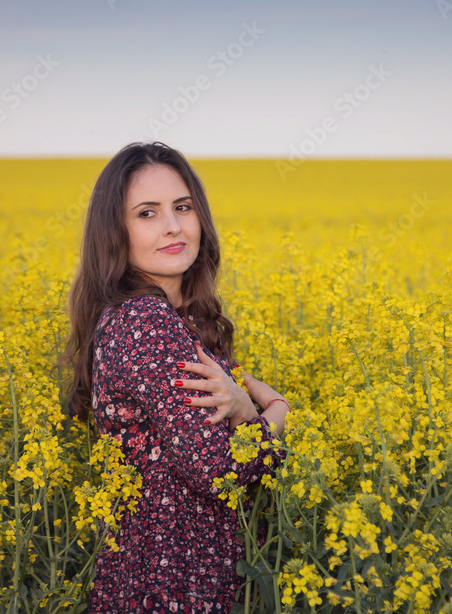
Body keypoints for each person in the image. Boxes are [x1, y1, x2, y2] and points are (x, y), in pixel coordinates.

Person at [60, 141, 290, 612]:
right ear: (115, 232)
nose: (172, 226)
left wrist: (246, 411)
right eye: (147, 213)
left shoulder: (171, 319)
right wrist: (276, 415)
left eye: (182, 207)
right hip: (172, 585)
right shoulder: (146, 321)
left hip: (173, 577)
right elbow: (216, 470)